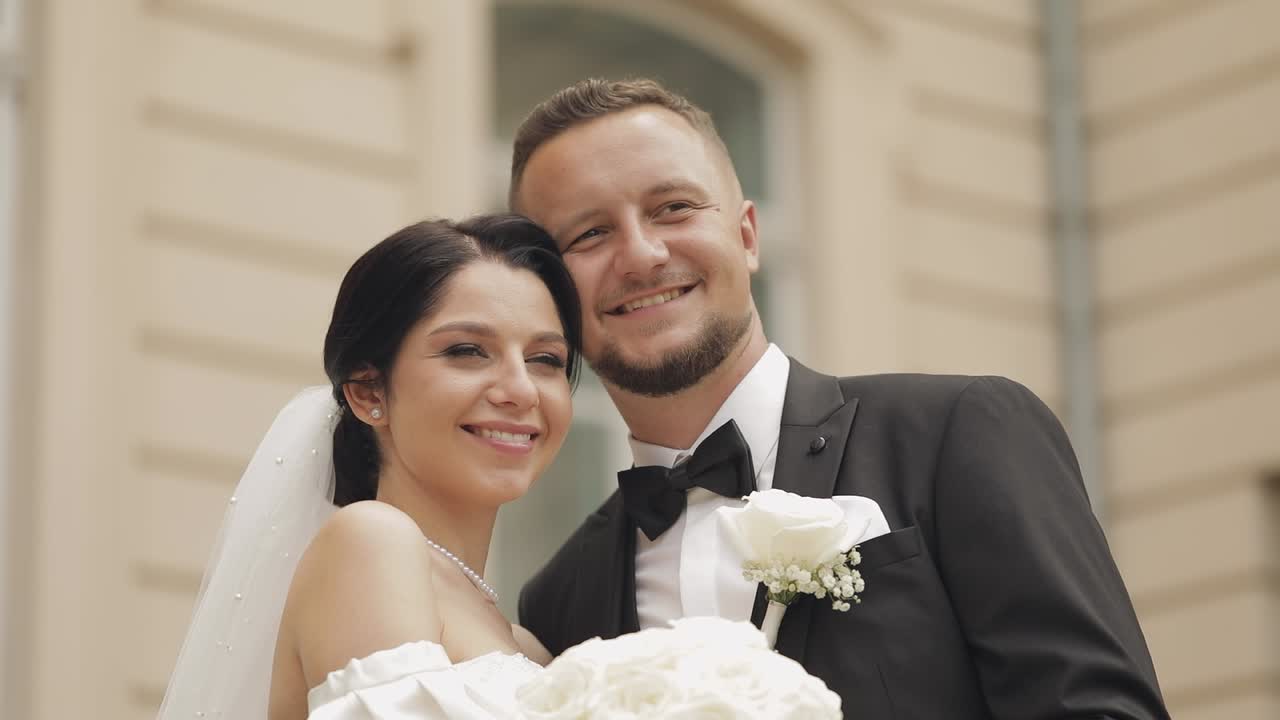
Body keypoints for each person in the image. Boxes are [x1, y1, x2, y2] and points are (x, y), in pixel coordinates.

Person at [511, 78, 1171, 719]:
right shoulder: (559, 600)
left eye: (674, 208)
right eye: (588, 235)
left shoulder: (960, 433)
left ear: (746, 236)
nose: (642, 254)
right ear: (548, 294)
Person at [157, 215, 582, 719]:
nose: (521, 389)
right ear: (368, 391)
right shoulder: (371, 542)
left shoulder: (529, 648)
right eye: (467, 351)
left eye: (546, 359)